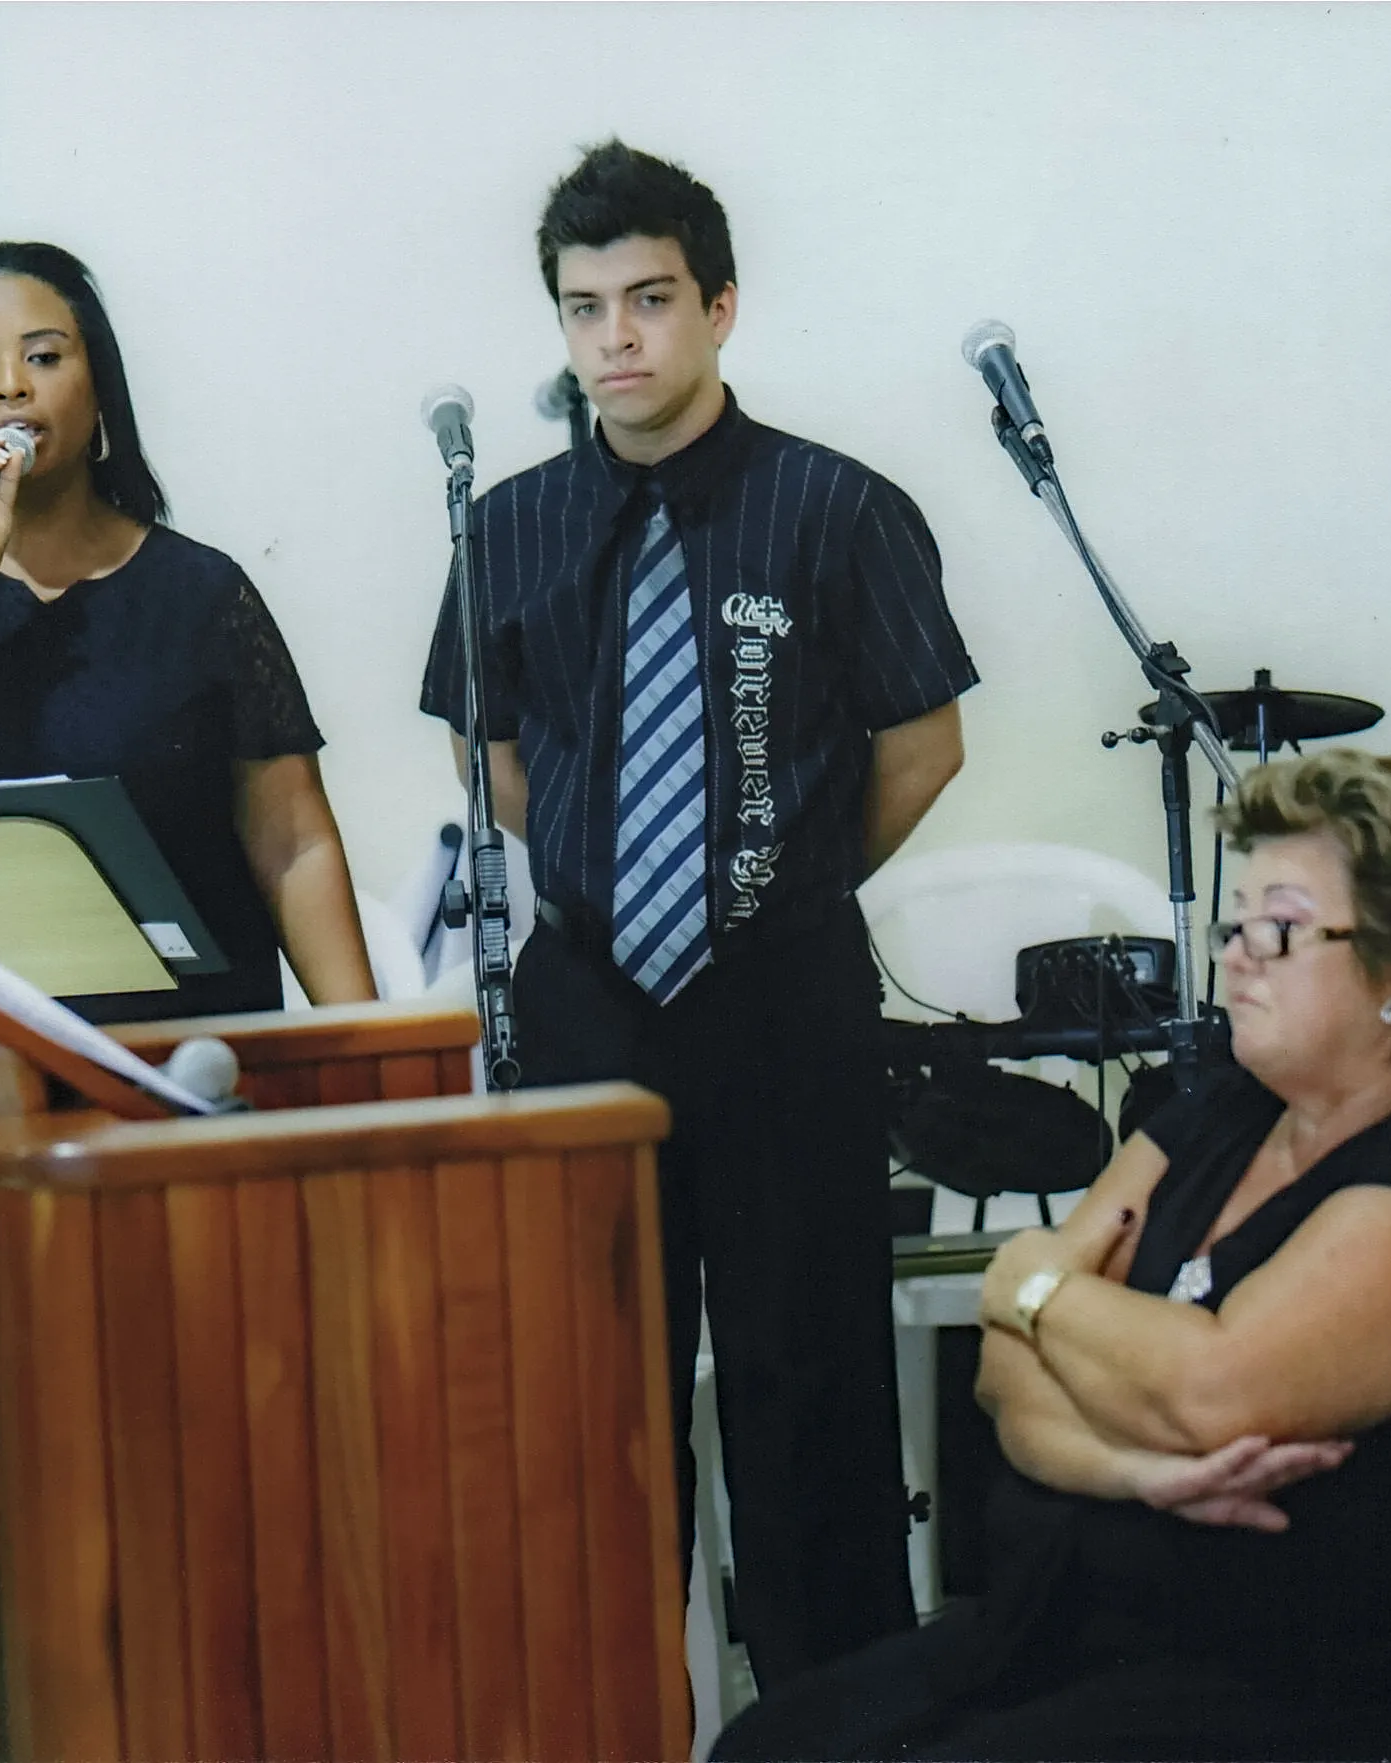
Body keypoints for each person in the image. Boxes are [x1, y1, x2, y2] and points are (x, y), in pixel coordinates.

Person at [419, 141, 978, 1686]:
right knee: (590, 1398)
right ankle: (609, 1710)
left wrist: (769, 881)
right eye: (584, 305)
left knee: (811, 1394)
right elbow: (500, 754)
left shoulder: (836, 507)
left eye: (651, 299)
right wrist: (623, 877)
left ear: (721, 307)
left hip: (786, 1003)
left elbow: (920, 742)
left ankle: (838, 1722)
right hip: (589, 1003)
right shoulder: (509, 526)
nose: (617, 337)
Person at [717, 747, 1391, 1760]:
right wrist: (1134, 1467)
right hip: (1066, 1626)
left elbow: (1215, 1393)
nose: (1236, 954)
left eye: (1281, 927)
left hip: (1297, 1679)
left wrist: (1027, 1277)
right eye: (1235, 921)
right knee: (770, 1744)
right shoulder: (1228, 1103)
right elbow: (1002, 1377)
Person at [0, 239, 376, 1020]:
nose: (10, 387)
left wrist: (374, 1048)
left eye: (42, 357)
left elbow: (293, 841)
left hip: (190, 1045)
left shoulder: (202, 592)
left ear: (100, 385)